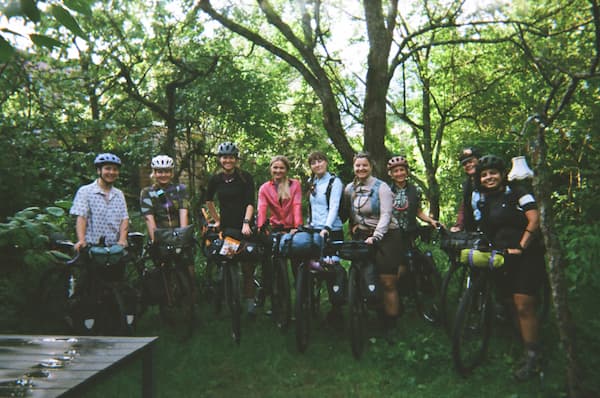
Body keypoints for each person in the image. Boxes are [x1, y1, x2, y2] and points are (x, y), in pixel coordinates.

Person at [473, 154, 545, 380]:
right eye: (484, 175)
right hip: (501, 257)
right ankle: (522, 342)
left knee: (523, 304)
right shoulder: (484, 201)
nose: (488, 177)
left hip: (525, 254)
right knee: (508, 303)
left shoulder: (518, 192)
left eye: (493, 173)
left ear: (503, 174)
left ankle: (533, 357)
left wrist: (522, 247)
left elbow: (534, 219)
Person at [344, 152, 400, 334]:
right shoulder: (349, 189)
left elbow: (386, 215)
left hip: (387, 235)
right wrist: (353, 225)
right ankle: (368, 309)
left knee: (387, 281)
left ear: (371, 167)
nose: (361, 168)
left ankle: (391, 321)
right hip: (362, 233)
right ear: (354, 167)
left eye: (364, 165)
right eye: (357, 165)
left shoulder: (382, 187)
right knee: (363, 272)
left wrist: (376, 236)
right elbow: (348, 211)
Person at [205, 143, 256, 317]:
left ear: (236, 159)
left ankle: (250, 302)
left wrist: (246, 222)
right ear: (220, 159)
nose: (228, 160)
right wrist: (216, 219)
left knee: (248, 264)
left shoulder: (245, 177)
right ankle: (225, 298)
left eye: (231, 157)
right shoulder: (216, 179)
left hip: (244, 226)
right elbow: (208, 200)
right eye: (225, 157)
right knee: (227, 261)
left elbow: (250, 202)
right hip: (227, 228)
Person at [140, 155, 195, 288]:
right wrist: (155, 240)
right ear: (154, 173)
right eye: (159, 171)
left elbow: (183, 212)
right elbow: (149, 217)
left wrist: (183, 237)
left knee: (189, 267)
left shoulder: (179, 189)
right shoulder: (147, 192)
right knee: (162, 271)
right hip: (160, 233)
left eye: (166, 171)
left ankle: (191, 296)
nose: (163, 175)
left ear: (171, 173)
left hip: (178, 232)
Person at [257, 155, 303, 313]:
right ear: (271, 169)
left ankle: (302, 295)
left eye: (281, 168)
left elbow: (297, 205)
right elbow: (262, 208)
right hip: (275, 227)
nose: (278, 170)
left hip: (293, 227)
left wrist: (297, 226)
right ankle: (268, 291)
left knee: (298, 261)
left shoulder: (294, 185)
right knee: (269, 260)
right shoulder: (265, 188)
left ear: (286, 170)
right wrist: (260, 227)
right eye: (275, 167)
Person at [387, 156, 439, 289]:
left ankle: (415, 287)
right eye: (396, 171)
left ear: (407, 171)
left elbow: (418, 212)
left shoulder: (415, 190)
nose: (399, 173)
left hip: (409, 232)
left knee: (411, 261)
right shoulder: (386, 190)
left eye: (402, 170)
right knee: (396, 265)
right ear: (391, 174)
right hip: (392, 233)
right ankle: (396, 291)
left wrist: (431, 221)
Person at [306, 151, 345, 325]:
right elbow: (313, 208)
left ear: (326, 162)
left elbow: (334, 206)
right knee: (314, 267)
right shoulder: (312, 182)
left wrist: (327, 227)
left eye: (320, 160)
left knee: (331, 268)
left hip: (331, 230)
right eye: (313, 162)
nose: (317, 164)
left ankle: (336, 308)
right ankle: (311, 304)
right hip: (315, 230)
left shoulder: (334, 182)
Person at [70, 153, 129, 251]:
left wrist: (122, 239)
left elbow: (124, 218)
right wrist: (81, 240)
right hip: (92, 247)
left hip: (115, 248)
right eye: (108, 168)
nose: (111, 172)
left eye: (115, 169)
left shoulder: (119, 194)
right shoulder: (85, 191)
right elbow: (81, 217)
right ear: (99, 170)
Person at [451, 147, 480, 232]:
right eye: (464, 164)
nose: (468, 165)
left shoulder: (488, 179)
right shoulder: (468, 184)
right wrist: (459, 225)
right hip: (473, 230)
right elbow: (465, 206)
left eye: (470, 161)